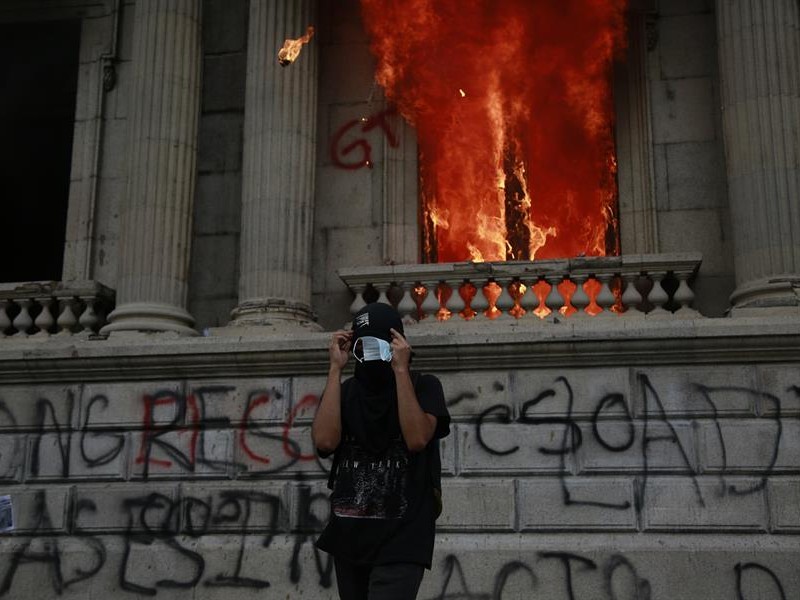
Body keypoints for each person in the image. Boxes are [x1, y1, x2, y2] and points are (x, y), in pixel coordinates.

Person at [313, 302, 450, 600]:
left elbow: (416, 439)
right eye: (364, 345)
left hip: (403, 537)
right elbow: (324, 442)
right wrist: (335, 368)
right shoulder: (347, 391)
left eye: (380, 345)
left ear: (396, 343)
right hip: (349, 535)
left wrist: (401, 368)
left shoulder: (424, 386)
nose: (372, 353)